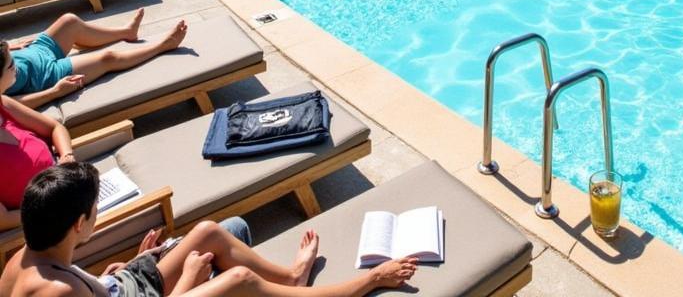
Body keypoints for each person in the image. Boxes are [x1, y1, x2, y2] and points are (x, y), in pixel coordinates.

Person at [0, 163, 417, 297]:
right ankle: (366, 281)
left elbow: (79, 281)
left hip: (124, 285)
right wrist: (186, 281)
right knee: (240, 278)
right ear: (78, 224)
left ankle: (292, 279)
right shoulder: (59, 293)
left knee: (209, 232)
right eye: (95, 209)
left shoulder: (22, 260)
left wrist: (124, 266)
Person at [6, 11, 187, 109]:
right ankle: (163, 46)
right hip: (47, 76)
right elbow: (9, 105)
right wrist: (55, 91)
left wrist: (11, 49)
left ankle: (126, 32)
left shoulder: (7, 61)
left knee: (70, 21)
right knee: (108, 58)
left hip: (36, 51)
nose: (14, 67)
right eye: (10, 65)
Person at [0, 40, 75, 231]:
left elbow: (54, 128)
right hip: (48, 222)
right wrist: (52, 207)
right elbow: (4, 219)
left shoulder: (3, 104)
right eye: (11, 64)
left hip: (65, 184)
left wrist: (67, 157)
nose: (16, 66)